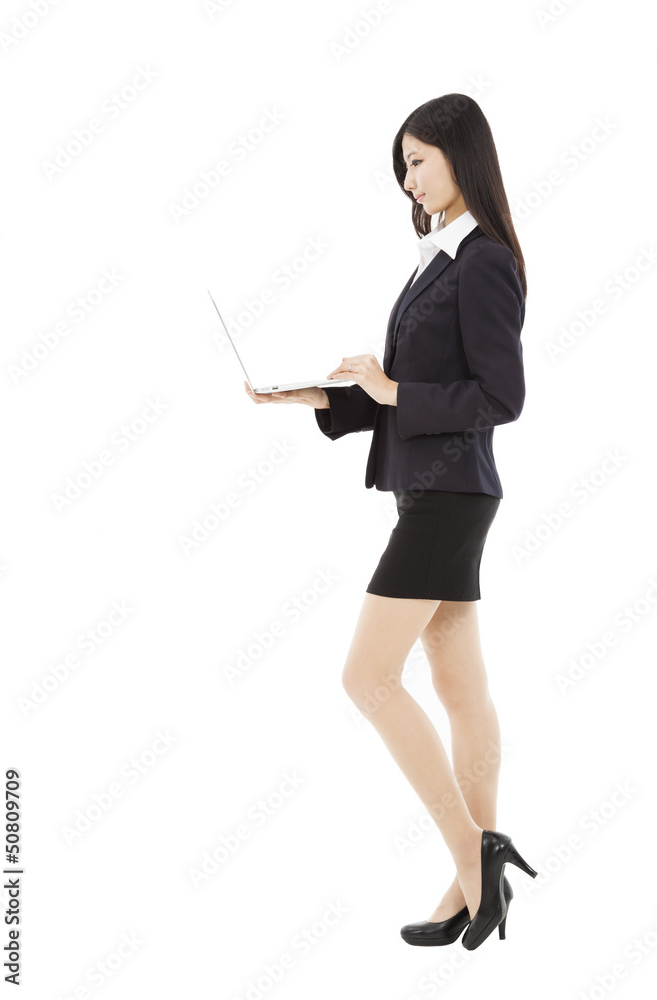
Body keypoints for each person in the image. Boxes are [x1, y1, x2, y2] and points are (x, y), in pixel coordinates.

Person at [244, 93, 537, 951]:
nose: (406, 180)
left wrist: (392, 387)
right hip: (432, 492)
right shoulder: (436, 260)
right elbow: (399, 395)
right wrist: (312, 395)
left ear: (460, 156)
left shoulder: (482, 260)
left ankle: (474, 855)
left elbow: (500, 397)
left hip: (450, 497)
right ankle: (468, 883)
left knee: (366, 677)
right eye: (400, 167)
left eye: (416, 161)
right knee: (458, 688)